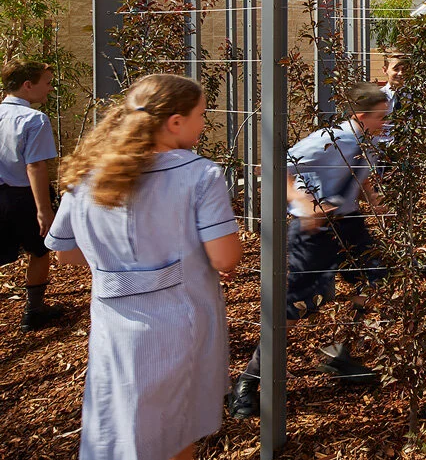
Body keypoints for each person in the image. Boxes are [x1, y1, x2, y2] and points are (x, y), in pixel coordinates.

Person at [45, 73, 243, 460]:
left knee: (118, 425)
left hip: (113, 325)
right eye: (201, 115)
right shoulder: (199, 174)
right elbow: (225, 257)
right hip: (179, 323)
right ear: (175, 122)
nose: (204, 124)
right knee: (174, 429)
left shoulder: (87, 173)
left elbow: (66, 253)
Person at [229, 82, 391, 418]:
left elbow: (359, 177)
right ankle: (247, 382)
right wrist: (304, 202)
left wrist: (374, 200)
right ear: (362, 115)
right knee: (297, 306)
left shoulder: (368, 140)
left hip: (349, 224)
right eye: (381, 117)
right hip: (312, 231)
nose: (385, 123)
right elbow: (280, 168)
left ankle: (341, 352)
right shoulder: (330, 138)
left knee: (374, 278)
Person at [0, 60, 64, 332]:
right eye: (47, 83)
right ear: (28, 85)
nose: (49, 89)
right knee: (39, 250)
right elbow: (35, 165)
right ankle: (33, 312)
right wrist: (44, 209)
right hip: (25, 196)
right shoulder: (34, 119)